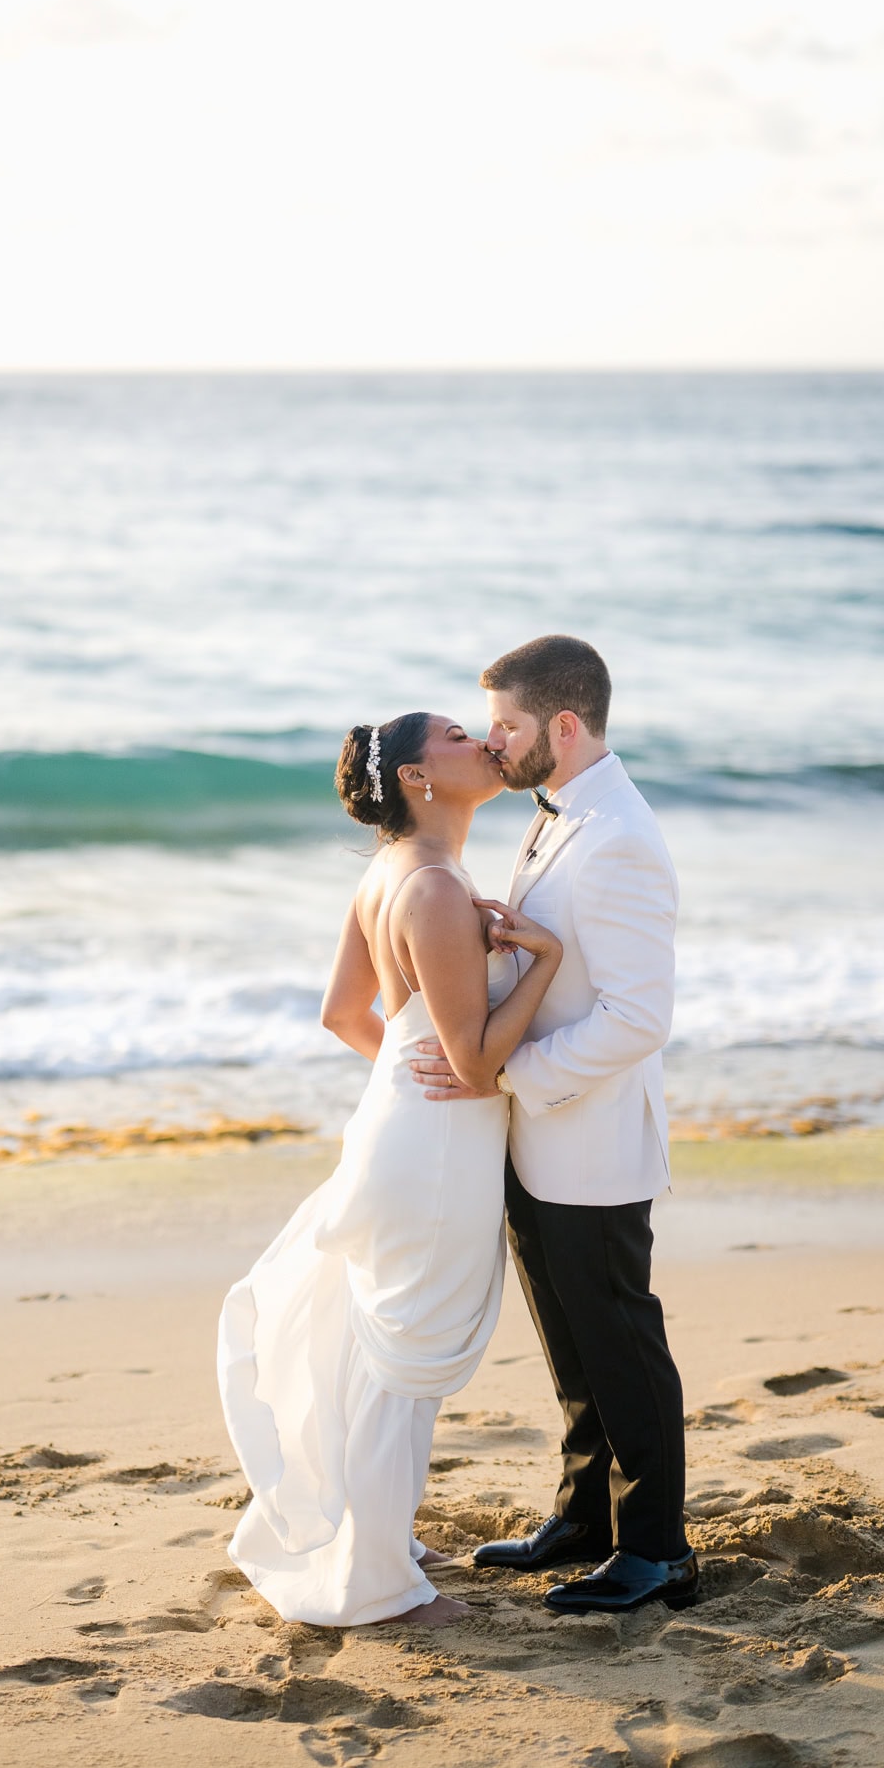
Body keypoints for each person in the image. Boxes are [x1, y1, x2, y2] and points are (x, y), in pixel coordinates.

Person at [217, 711, 563, 1626]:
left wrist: (406, 1071)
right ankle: (375, 1581)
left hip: (400, 1131)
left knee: (381, 1345)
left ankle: (380, 1538)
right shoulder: (439, 889)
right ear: (417, 777)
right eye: (457, 736)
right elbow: (479, 1062)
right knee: (402, 1361)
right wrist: (544, 962)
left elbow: (342, 1013)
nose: (483, 742)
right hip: (436, 1150)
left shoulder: (388, 874)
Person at [410, 635, 697, 1615]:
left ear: (563, 726)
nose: (493, 743)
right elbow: (568, 961)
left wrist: (515, 1074)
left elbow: (637, 1016)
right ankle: (585, 1516)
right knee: (572, 1342)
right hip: (538, 1134)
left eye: (508, 726)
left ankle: (658, 1547)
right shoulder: (559, 813)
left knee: (620, 1340)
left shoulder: (620, 836)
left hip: (594, 1140)